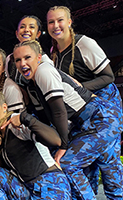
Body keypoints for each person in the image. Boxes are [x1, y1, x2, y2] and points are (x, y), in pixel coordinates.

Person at [13, 40, 123, 199]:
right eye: (18, 60)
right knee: (108, 170)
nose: (22, 63)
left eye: (27, 57)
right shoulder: (37, 78)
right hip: (98, 119)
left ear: (38, 58)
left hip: (100, 118)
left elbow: (59, 112)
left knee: (67, 164)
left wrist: (63, 146)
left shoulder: (43, 71)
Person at [47, 5, 123, 194]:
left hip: (105, 110)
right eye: (51, 22)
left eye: (60, 20)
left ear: (70, 22)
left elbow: (108, 77)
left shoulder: (83, 43)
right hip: (84, 116)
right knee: (87, 169)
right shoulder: (54, 51)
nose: (56, 25)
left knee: (109, 167)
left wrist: (79, 89)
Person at [0, 91, 71, 199]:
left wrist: (26, 119)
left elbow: (56, 141)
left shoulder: (16, 124)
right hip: (28, 188)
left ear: (4, 107)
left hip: (50, 185)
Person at [5, 15, 53, 117]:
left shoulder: (44, 61)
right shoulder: (9, 60)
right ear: (17, 34)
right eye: (22, 27)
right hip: (23, 111)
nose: (26, 30)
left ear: (38, 34)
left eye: (31, 27)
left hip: (48, 110)